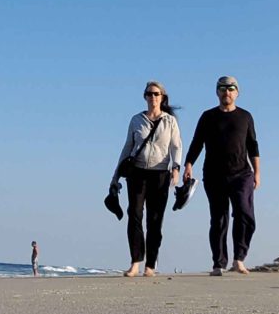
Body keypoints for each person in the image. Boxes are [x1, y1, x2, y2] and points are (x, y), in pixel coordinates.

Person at [183, 75, 260, 276]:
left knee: (244, 213)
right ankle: (218, 263)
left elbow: (253, 145)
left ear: (237, 92)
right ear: (217, 92)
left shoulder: (246, 116)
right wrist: (189, 164)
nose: (227, 92)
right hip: (214, 174)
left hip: (242, 174)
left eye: (231, 88)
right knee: (219, 219)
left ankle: (239, 259)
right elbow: (197, 142)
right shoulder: (208, 117)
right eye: (223, 88)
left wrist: (257, 172)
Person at [110, 81, 182, 277]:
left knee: (155, 220)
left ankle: (150, 265)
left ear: (162, 97)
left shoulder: (169, 121)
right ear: (145, 96)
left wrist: (176, 168)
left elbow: (176, 146)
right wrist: (116, 175)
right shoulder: (136, 120)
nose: (153, 97)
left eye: (156, 94)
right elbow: (127, 147)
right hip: (137, 173)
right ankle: (135, 262)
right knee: (134, 214)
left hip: (160, 174)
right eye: (149, 94)